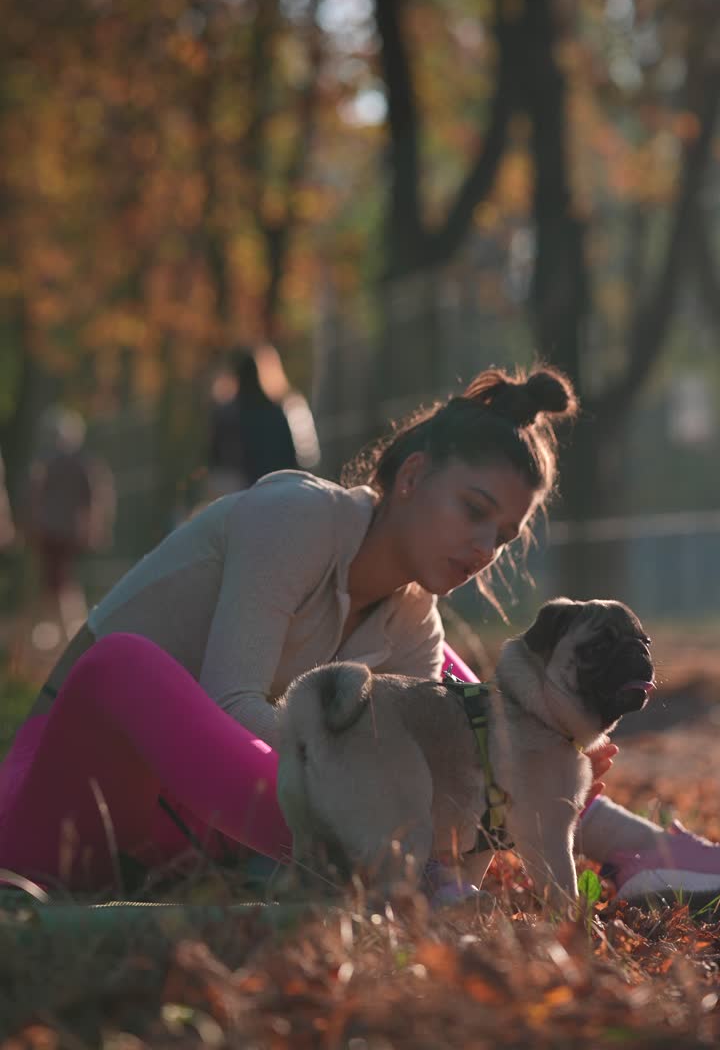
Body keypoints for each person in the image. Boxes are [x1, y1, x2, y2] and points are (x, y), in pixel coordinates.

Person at [0, 364, 718, 904]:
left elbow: (453, 769)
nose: (483, 548)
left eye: (504, 535)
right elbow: (227, 705)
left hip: (190, 844)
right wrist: (375, 788)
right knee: (127, 665)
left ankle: (629, 845)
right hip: (58, 810)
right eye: (473, 510)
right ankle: (395, 868)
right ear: (410, 477)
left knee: (454, 700)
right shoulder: (298, 518)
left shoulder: (414, 622)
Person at [22, 407, 116, 635]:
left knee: (59, 581)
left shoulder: (59, 463)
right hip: (60, 531)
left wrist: (94, 526)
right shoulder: (81, 463)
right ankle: (58, 628)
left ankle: (67, 628)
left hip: (57, 531)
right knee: (56, 580)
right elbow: (97, 497)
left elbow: (93, 498)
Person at [206, 345, 319, 502]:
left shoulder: (228, 415)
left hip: (244, 499)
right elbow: (306, 458)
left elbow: (218, 468)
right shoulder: (289, 409)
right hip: (284, 496)